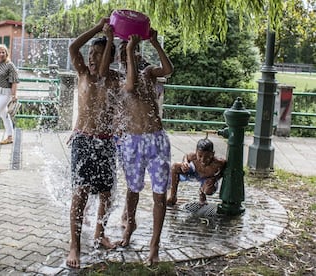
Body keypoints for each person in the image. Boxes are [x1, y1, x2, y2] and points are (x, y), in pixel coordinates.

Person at [66, 18, 119, 269]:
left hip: (106, 142)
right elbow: (73, 48)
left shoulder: (113, 79)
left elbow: (106, 70)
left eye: (98, 54)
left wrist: (110, 39)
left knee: (107, 194)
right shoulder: (83, 74)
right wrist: (99, 29)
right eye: (92, 53)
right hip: (83, 140)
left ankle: (99, 233)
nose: (92, 58)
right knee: (81, 194)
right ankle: (74, 245)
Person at [117, 31, 174, 266]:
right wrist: (128, 50)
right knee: (133, 191)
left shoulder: (148, 73)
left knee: (159, 195)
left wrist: (154, 42)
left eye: (130, 49)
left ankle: (154, 245)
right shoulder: (117, 79)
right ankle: (130, 226)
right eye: (123, 51)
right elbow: (130, 87)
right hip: (133, 141)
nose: (128, 53)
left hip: (156, 140)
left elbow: (168, 70)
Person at [166, 138, 227, 206]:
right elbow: (186, 156)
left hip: (207, 179)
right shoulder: (193, 156)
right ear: (196, 152)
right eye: (200, 156)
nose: (203, 160)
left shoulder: (219, 163)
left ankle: (201, 192)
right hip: (194, 173)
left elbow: (224, 172)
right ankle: (173, 196)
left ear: (213, 154)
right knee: (175, 166)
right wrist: (185, 163)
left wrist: (215, 179)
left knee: (209, 190)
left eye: (207, 157)